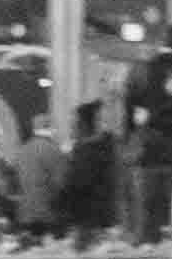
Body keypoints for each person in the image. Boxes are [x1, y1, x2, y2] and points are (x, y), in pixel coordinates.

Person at [120, 42, 172, 245]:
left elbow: (130, 110)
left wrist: (130, 137)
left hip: (148, 153)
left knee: (145, 216)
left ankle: (146, 256)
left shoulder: (143, 70)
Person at [61, 101, 121, 244]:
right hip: (102, 214)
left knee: (88, 252)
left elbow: (77, 181)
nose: (73, 126)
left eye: (75, 121)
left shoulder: (86, 149)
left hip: (88, 216)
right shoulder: (108, 146)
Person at [8, 114, 71, 244]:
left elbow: (13, 180)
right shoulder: (54, 150)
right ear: (51, 129)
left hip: (25, 214)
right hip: (49, 214)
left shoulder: (22, 150)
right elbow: (62, 182)